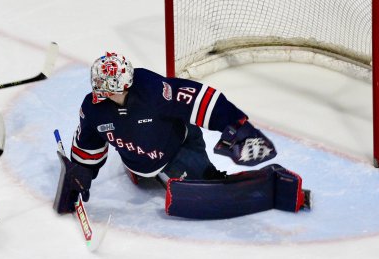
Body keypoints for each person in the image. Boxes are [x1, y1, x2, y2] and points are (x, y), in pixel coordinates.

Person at [54, 52, 310, 219]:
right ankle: (144, 173)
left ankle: (202, 173)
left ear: (126, 83)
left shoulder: (152, 90)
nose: (104, 94)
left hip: (178, 147)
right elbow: (89, 142)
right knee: (145, 168)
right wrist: (82, 172)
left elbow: (198, 99)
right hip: (138, 163)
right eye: (100, 88)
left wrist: (235, 125)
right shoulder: (93, 108)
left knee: (205, 179)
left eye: (110, 89)